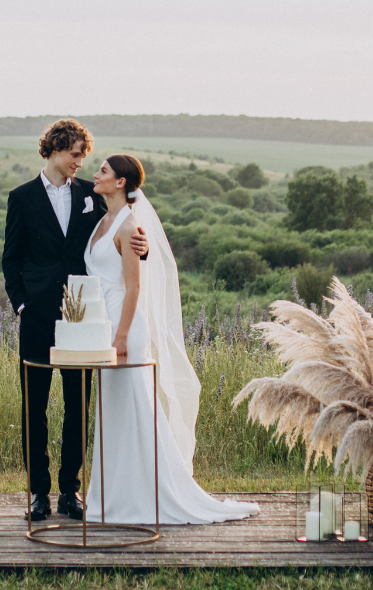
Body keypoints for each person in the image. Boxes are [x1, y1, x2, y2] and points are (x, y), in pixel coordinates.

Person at [83, 154, 258, 525]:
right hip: (104, 321)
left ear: (121, 182)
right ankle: (113, 497)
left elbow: (134, 288)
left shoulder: (129, 227)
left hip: (125, 326)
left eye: (103, 171)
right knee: (113, 411)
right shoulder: (103, 220)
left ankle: (149, 495)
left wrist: (121, 337)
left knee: (136, 409)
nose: (95, 175)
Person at [1, 120, 147, 522]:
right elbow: (10, 258)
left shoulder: (90, 194)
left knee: (76, 406)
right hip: (37, 317)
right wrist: (21, 305)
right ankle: (37, 493)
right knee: (34, 406)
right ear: (53, 151)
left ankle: (70, 491)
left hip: (84, 316)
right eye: (75, 154)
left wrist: (144, 246)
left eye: (84, 155)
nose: (81, 162)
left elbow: (119, 226)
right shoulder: (22, 197)